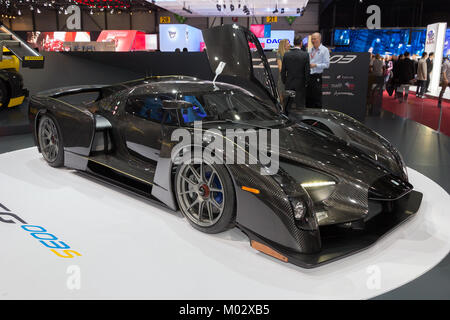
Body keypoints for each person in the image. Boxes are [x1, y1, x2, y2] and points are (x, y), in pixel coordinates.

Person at [281, 34, 310, 110]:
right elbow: (307, 71)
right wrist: (306, 83)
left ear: (293, 43)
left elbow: (283, 70)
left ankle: (286, 121)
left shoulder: (286, 55)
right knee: (300, 106)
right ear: (301, 43)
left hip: (289, 83)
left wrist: (285, 81)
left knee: (287, 106)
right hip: (300, 84)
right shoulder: (305, 55)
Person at [306, 32, 330, 108]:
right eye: (312, 39)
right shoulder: (310, 50)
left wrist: (315, 65)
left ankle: (318, 118)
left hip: (317, 77)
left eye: (314, 38)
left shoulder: (324, 50)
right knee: (308, 98)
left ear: (319, 39)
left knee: (317, 99)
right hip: (308, 76)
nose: (313, 40)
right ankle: (308, 118)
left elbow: (327, 65)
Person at [276, 39, 291, 106]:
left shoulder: (290, 53)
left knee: (289, 97)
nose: (289, 45)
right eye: (287, 43)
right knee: (281, 96)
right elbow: (280, 68)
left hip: (290, 79)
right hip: (283, 78)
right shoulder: (279, 54)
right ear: (283, 45)